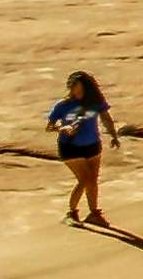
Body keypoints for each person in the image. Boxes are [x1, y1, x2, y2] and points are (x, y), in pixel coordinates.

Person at [47, 70, 112, 227]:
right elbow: (50, 126)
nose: (75, 88)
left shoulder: (94, 102)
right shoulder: (62, 106)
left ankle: (94, 214)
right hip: (70, 147)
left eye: (78, 85)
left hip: (92, 145)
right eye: (73, 85)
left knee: (93, 180)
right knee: (85, 179)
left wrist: (114, 134)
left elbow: (106, 117)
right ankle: (72, 213)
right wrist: (63, 128)